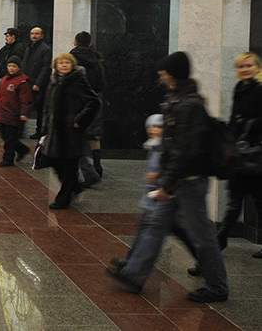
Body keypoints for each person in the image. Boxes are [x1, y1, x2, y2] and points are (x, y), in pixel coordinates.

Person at [106, 51, 228, 303]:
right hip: (176, 178)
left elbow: (185, 150)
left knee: (202, 236)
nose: (161, 76)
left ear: (173, 74)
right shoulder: (178, 98)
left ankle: (217, 286)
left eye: (164, 72)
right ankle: (134, 275)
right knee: (154, 225)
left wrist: (167, 184)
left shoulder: (190, 105)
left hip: (189, 181)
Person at [108, 114, 199, 275]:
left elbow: (172, 170)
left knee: (153, 231)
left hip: (163, 197)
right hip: (156, 197)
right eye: (150, 126)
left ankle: (132, 265)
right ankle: (130, 260)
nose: (153, 130)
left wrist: (158, 178)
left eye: (157, 126)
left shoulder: (166, 148)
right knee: (156, 229)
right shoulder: (155, 146)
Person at [217, 51, 262, 257]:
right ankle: (219, 242)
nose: (245, 69)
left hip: (254, 154)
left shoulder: (259, 90)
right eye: (241, 66)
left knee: (252, 201)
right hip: (241, 154)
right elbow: (234, 118)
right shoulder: (238, 88)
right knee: (237, 201)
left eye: (249, 65)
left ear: (257, 68)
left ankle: (218, 243)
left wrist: (246, 124)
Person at [40, 52, 99, 209]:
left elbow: (94, 102)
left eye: (67, 62)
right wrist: (45, 125)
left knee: (70, 166)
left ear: (72, 64)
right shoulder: (54, 80)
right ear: (56, 66)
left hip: (72, 132)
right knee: (51, 160)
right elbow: (47, 105)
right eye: (61, 63)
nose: (64, 65)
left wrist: (80, 120)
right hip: (55, 131)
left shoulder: (78, 80)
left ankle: (63, 199)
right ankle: (75, 186)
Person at [70, 31, 106, 185]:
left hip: (77, 100)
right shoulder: (97, 60)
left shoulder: (71, 58)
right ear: (90, 44)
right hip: (94, 100)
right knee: (94, 134)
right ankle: (97, 166)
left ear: (75, 42)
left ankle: (80, 169)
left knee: (75, 135)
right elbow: (101, 84)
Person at [0, 55, 32, 166]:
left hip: (13, 114)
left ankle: (8, 159)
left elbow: (25, 99)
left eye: (14, 66)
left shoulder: (23, 81)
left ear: (19, 67)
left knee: (9, 138)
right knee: (4, 136)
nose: (11, 68)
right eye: (10, 66)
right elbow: (0, 96)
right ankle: (23, 149)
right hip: (3, 113)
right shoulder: (4, 80)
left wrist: (24, 113)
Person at [22, 27, 52, 139]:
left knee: (40, 109)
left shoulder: (45, 49)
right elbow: (25, 64)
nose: (34, 36)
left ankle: (40, 131)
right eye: (32, 33)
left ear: (42, 35)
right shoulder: (29, 47)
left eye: (37, 33)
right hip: (27, 81)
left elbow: (46, 68)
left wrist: (38, 83)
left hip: (38, 84)